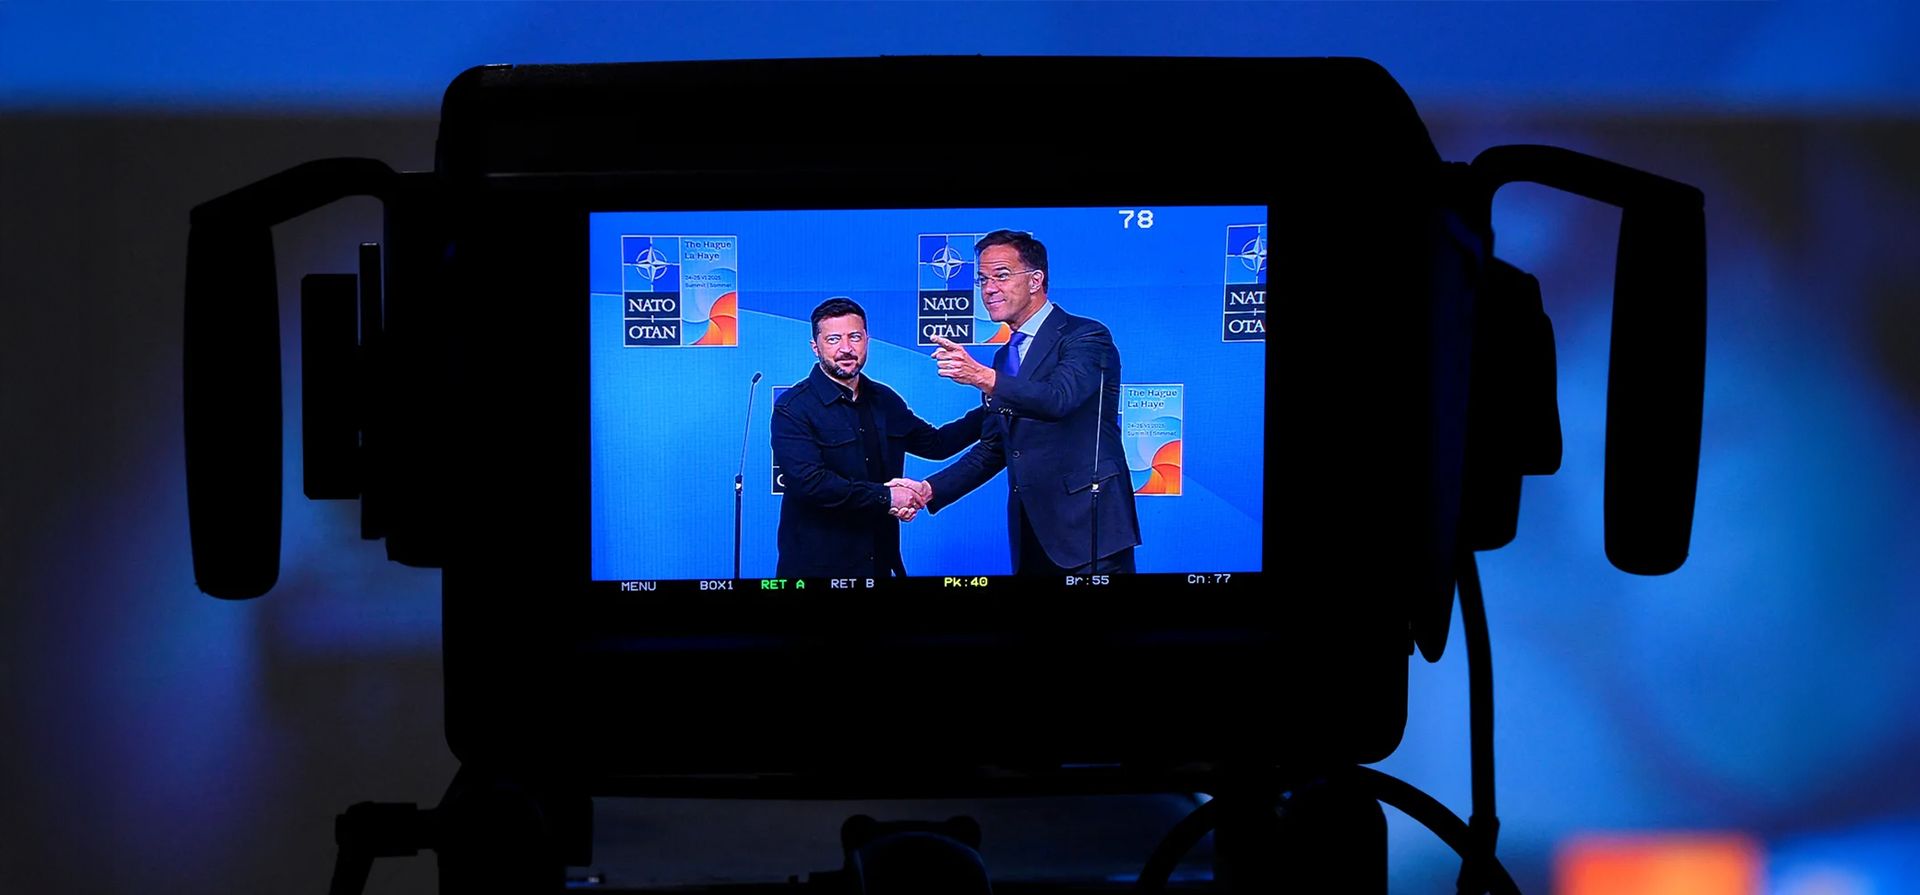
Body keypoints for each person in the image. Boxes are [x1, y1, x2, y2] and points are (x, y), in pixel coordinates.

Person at [911, 229, 1141, 576]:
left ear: (1036, 280)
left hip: (1089, 532)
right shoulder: (1005, 357)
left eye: (1001, 276)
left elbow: (1058, 400)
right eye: (983, 279)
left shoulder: (1085, 336)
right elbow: (994, 448)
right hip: (1031, 533)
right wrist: (929, 490)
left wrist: (983, 377)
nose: (988, 289)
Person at [771, 297, 984, 579]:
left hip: (880, 560)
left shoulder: (884, 399)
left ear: (867, 340)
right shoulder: (793, 407)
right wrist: (888, 496)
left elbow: (937, 444)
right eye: (833, 339)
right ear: (816, 347)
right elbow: (812, 483)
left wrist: (994, 403)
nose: (846, 348)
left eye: (854, 337)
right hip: (817, 567)